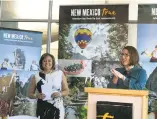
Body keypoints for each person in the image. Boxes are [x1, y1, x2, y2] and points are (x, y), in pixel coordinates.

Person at [28, 53, 69, 119]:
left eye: (49, 61)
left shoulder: (59, 74)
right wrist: (36, 95)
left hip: (57, 107)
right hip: (42, 108)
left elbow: (66, 91)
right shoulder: (36, 76)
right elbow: (30, 94)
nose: (47, 62)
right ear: (41, 63)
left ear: (53, 62)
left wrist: (60, 94)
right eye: (44, 61)